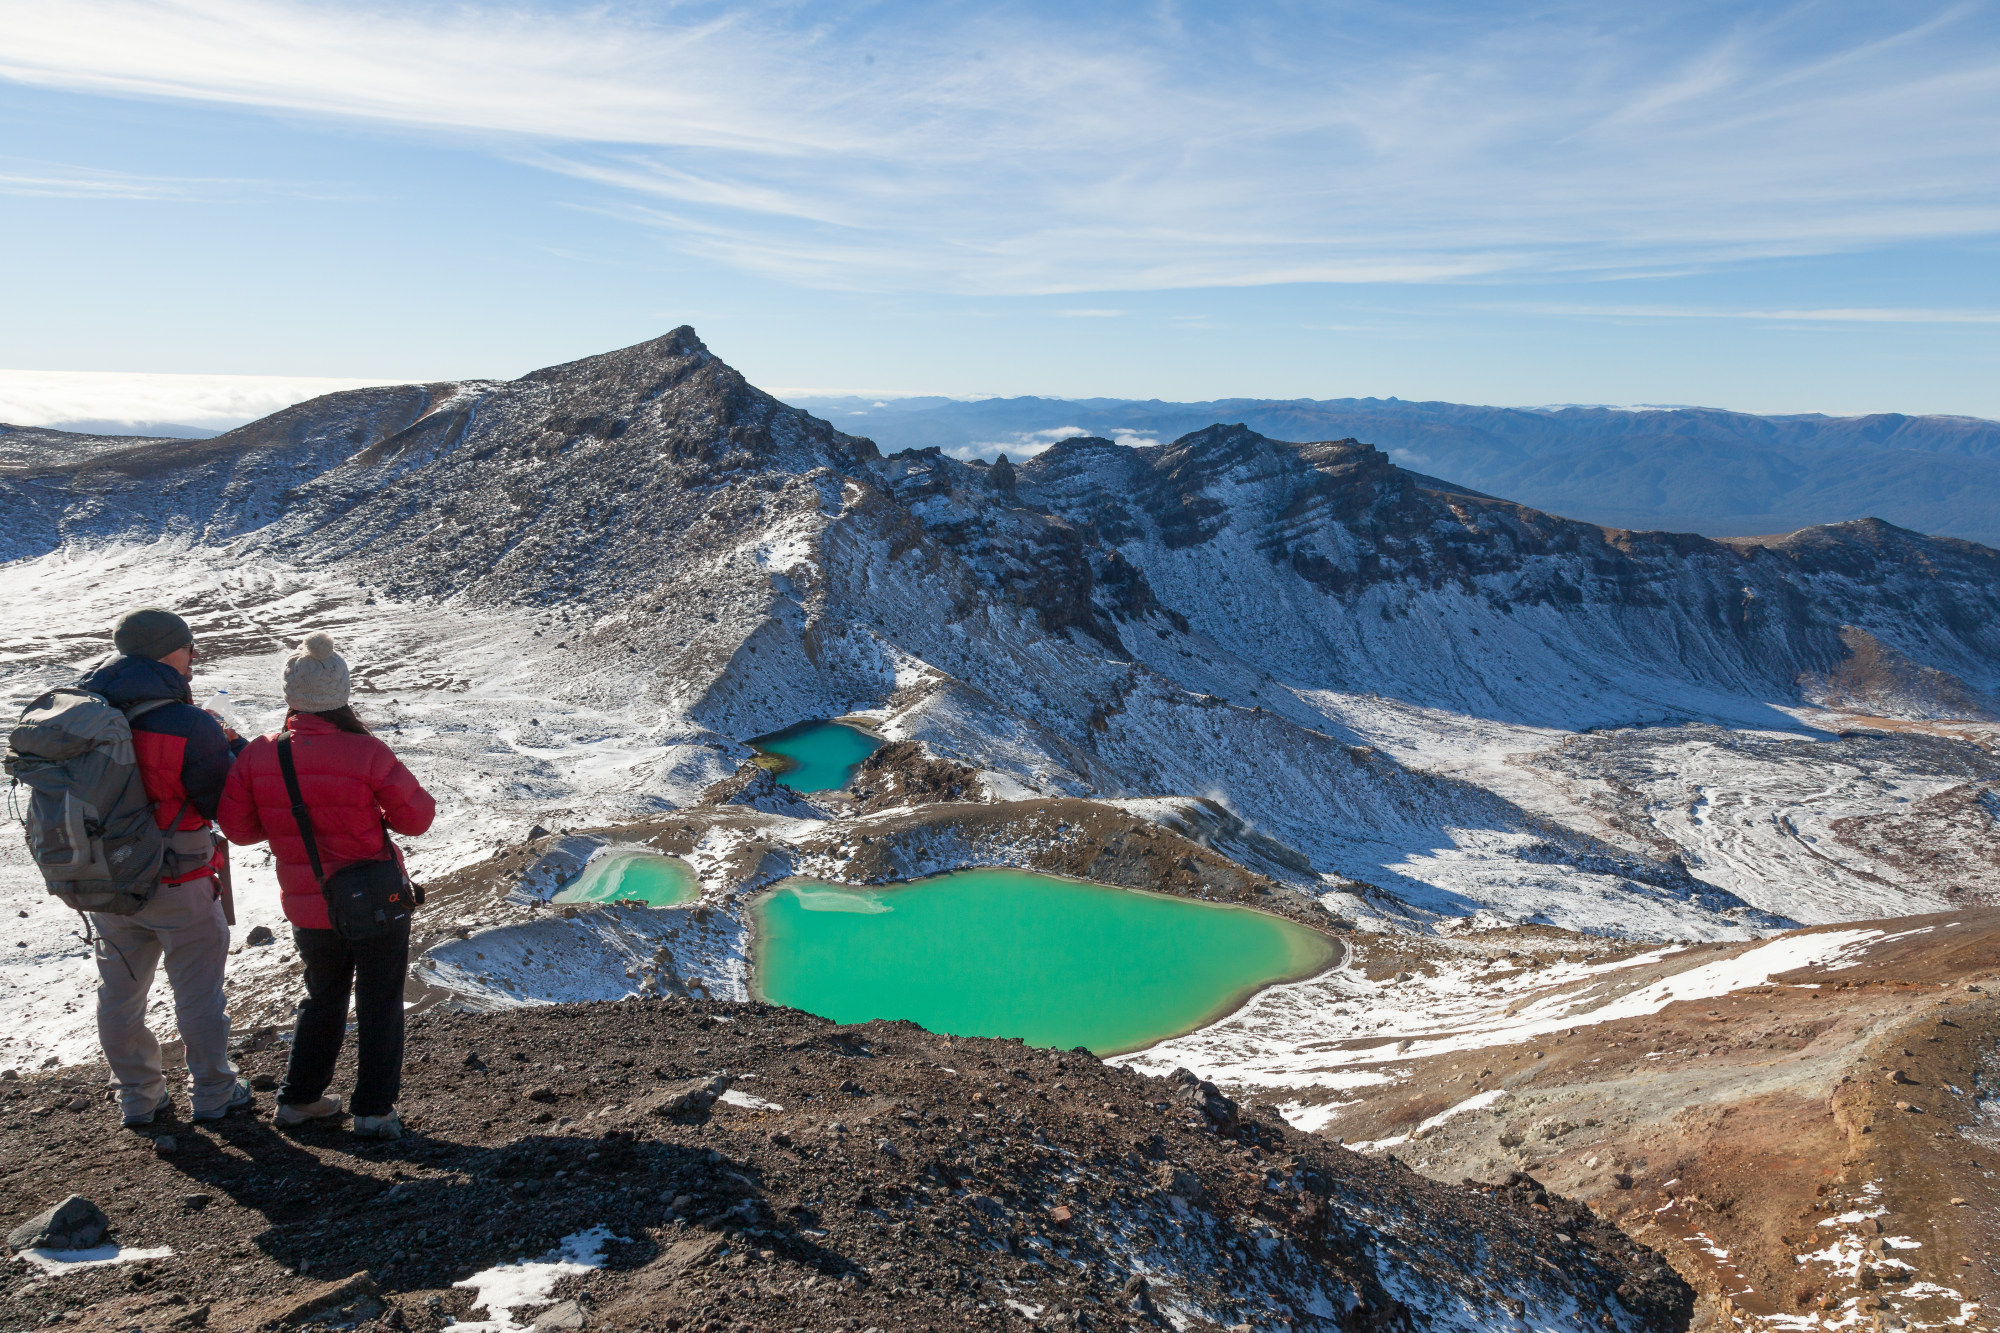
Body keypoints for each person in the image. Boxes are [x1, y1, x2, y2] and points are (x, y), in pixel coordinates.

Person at [218, 631, 435, 1140]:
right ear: (341, 692)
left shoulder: (260, 755)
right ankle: (374, 1111)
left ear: (291, 695)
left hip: (309, 905)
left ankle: (300, 1100)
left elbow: (241, 831)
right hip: (376, 902)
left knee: (322, 995)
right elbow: (417, 819)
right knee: (380, 1000)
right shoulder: (366, 751)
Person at [80, 607, 253, 1128]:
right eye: (187, 647)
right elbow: (224, 805)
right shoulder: (188, 724)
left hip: (105, 879)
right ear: (163, 653)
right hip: (178, 877)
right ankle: (215, 1093)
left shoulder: (86, 715)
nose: (193, 656)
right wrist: (234, 747)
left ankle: (138, 1097)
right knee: (198, 990)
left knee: (119, 994)